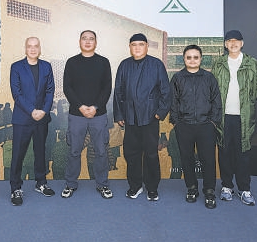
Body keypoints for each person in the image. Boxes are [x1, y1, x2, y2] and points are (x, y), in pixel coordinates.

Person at [113, 33, 171, 202]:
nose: (137, 48)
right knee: (131, 154)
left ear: (147, 46)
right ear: (130, 47)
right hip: (130, 117)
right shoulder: (124, 65)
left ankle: (152, 188)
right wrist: (119, 114)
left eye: (141, 44)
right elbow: (118, 91)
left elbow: (166, 91)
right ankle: (135, 186)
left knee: (151, 154)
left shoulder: (156, 64)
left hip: (150, 117)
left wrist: (160, 112)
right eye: (134, 45)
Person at [61, 30, 114, 199]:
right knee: (74, 151)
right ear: (79, 42)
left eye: (91, 39)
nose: (88, 41)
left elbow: (107, 88)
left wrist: (96, 107)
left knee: (101, 151)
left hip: (99, 115)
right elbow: (67, 87)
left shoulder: (103, 62)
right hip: (77, 115)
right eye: (84, 38)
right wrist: (81, 107)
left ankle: (102, 185)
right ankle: (70, 184)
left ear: (96, 42)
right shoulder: (72, 62)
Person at [170, 44, 222, 209]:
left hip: (206, 126)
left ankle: (209, 191)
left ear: (201, 59)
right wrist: (177, 122)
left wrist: (213, 122)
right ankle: (191, 188)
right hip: (184, 126)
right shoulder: (177, 78)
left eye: (196, 57)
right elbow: (173, 102)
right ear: (184, 59)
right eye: (189, 57)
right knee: (187, 158)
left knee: (208, 160)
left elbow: (216, 101)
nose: (192, 60)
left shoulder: (209, 78)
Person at [211, 30, 257, 206]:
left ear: (242, 43)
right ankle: (226, 186)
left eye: (236, 40)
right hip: (224, 116)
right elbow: (213, 91)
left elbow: (255, 90)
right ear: (225, 44)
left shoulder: (252, 63)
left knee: (243, 153)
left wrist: (246, 107)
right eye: (229, 41)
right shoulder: (219, 64)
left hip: (243, 117)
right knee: (224, 152)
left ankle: (244, 189)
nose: (233, 43)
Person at [8, 36, 56, 206]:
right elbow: (17, 93)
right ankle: (15, 188)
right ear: (25, 48)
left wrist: (44, 110)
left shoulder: (46, 66)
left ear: (40, 48)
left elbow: (50, 91)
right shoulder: (16, 67)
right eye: (30, 46)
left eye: (36, 46)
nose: (33, 49)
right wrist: (32, 111)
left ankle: (41, 183)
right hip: (22, 118)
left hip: (42, 118)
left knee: (40, 152)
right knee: (18, 154)